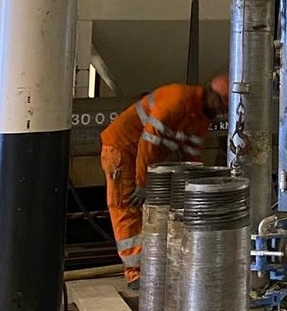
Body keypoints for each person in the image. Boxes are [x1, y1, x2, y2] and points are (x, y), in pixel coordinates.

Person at [99, 75, 230, 289]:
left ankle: (149, 268)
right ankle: (135, 272)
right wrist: (143, 183)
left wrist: (193, 188)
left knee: (148, 213)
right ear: (213, 96)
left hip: (143, 159)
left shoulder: (200, 117)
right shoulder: (177, 100)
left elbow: (192, 156)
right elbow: (147, 142)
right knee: (127, 208)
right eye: (223, 106)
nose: (222, 113)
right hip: (121, 150)